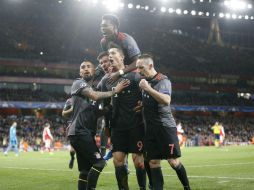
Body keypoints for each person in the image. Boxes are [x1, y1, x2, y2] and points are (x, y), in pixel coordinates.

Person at [68, 61, 129, 190]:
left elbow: (95, 113)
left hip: (82, 133)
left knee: (85, 170)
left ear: (94, 71)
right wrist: (114, 91)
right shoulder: (78, 83)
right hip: (80, 131)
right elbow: (94, 96)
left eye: (88, 67)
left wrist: (109, 108)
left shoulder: (90, 91)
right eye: (82, 67)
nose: (85, 69)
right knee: (100, 163)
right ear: (79, 72)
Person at [136, 54, 191, 190]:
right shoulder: (144, 81)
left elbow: (166, 100)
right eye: (137, 67)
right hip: (150, 129)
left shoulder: (163, 81)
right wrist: (142, 104)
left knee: (173, 162)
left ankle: (186, 187)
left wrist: (147, 88)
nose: (138, 70)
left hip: (164, 127)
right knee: (153, 162)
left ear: (150, 66)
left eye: (141, 67)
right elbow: (151, 100)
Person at [100, 47, 147, 190]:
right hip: (117, 127)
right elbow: (105, 106)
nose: (110, 56)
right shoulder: (105, 81)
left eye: (113, 53)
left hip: (136, 125)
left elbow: (147, 95)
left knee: (138, 161)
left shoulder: (135, 76)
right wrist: (107, 126)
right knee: (118, 161)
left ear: (122, 57)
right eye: (109, 54)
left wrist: (144, 104)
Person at [100, 14, 141, 81]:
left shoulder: (126, 40)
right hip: (117, 71)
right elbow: (108, 60)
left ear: (115, 26)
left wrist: (120, 72)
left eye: (105, 26)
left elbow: (138, 62)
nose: (102, 28)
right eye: (101, 26)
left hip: (133, 71)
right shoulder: (103, 42)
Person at [62, 97, 76, 169]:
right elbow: (63, 113)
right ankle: (72, 157)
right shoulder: (69, 101)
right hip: (73, 125)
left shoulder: (87, 98)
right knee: (72, 149)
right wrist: (72, 109)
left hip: (84, 125)